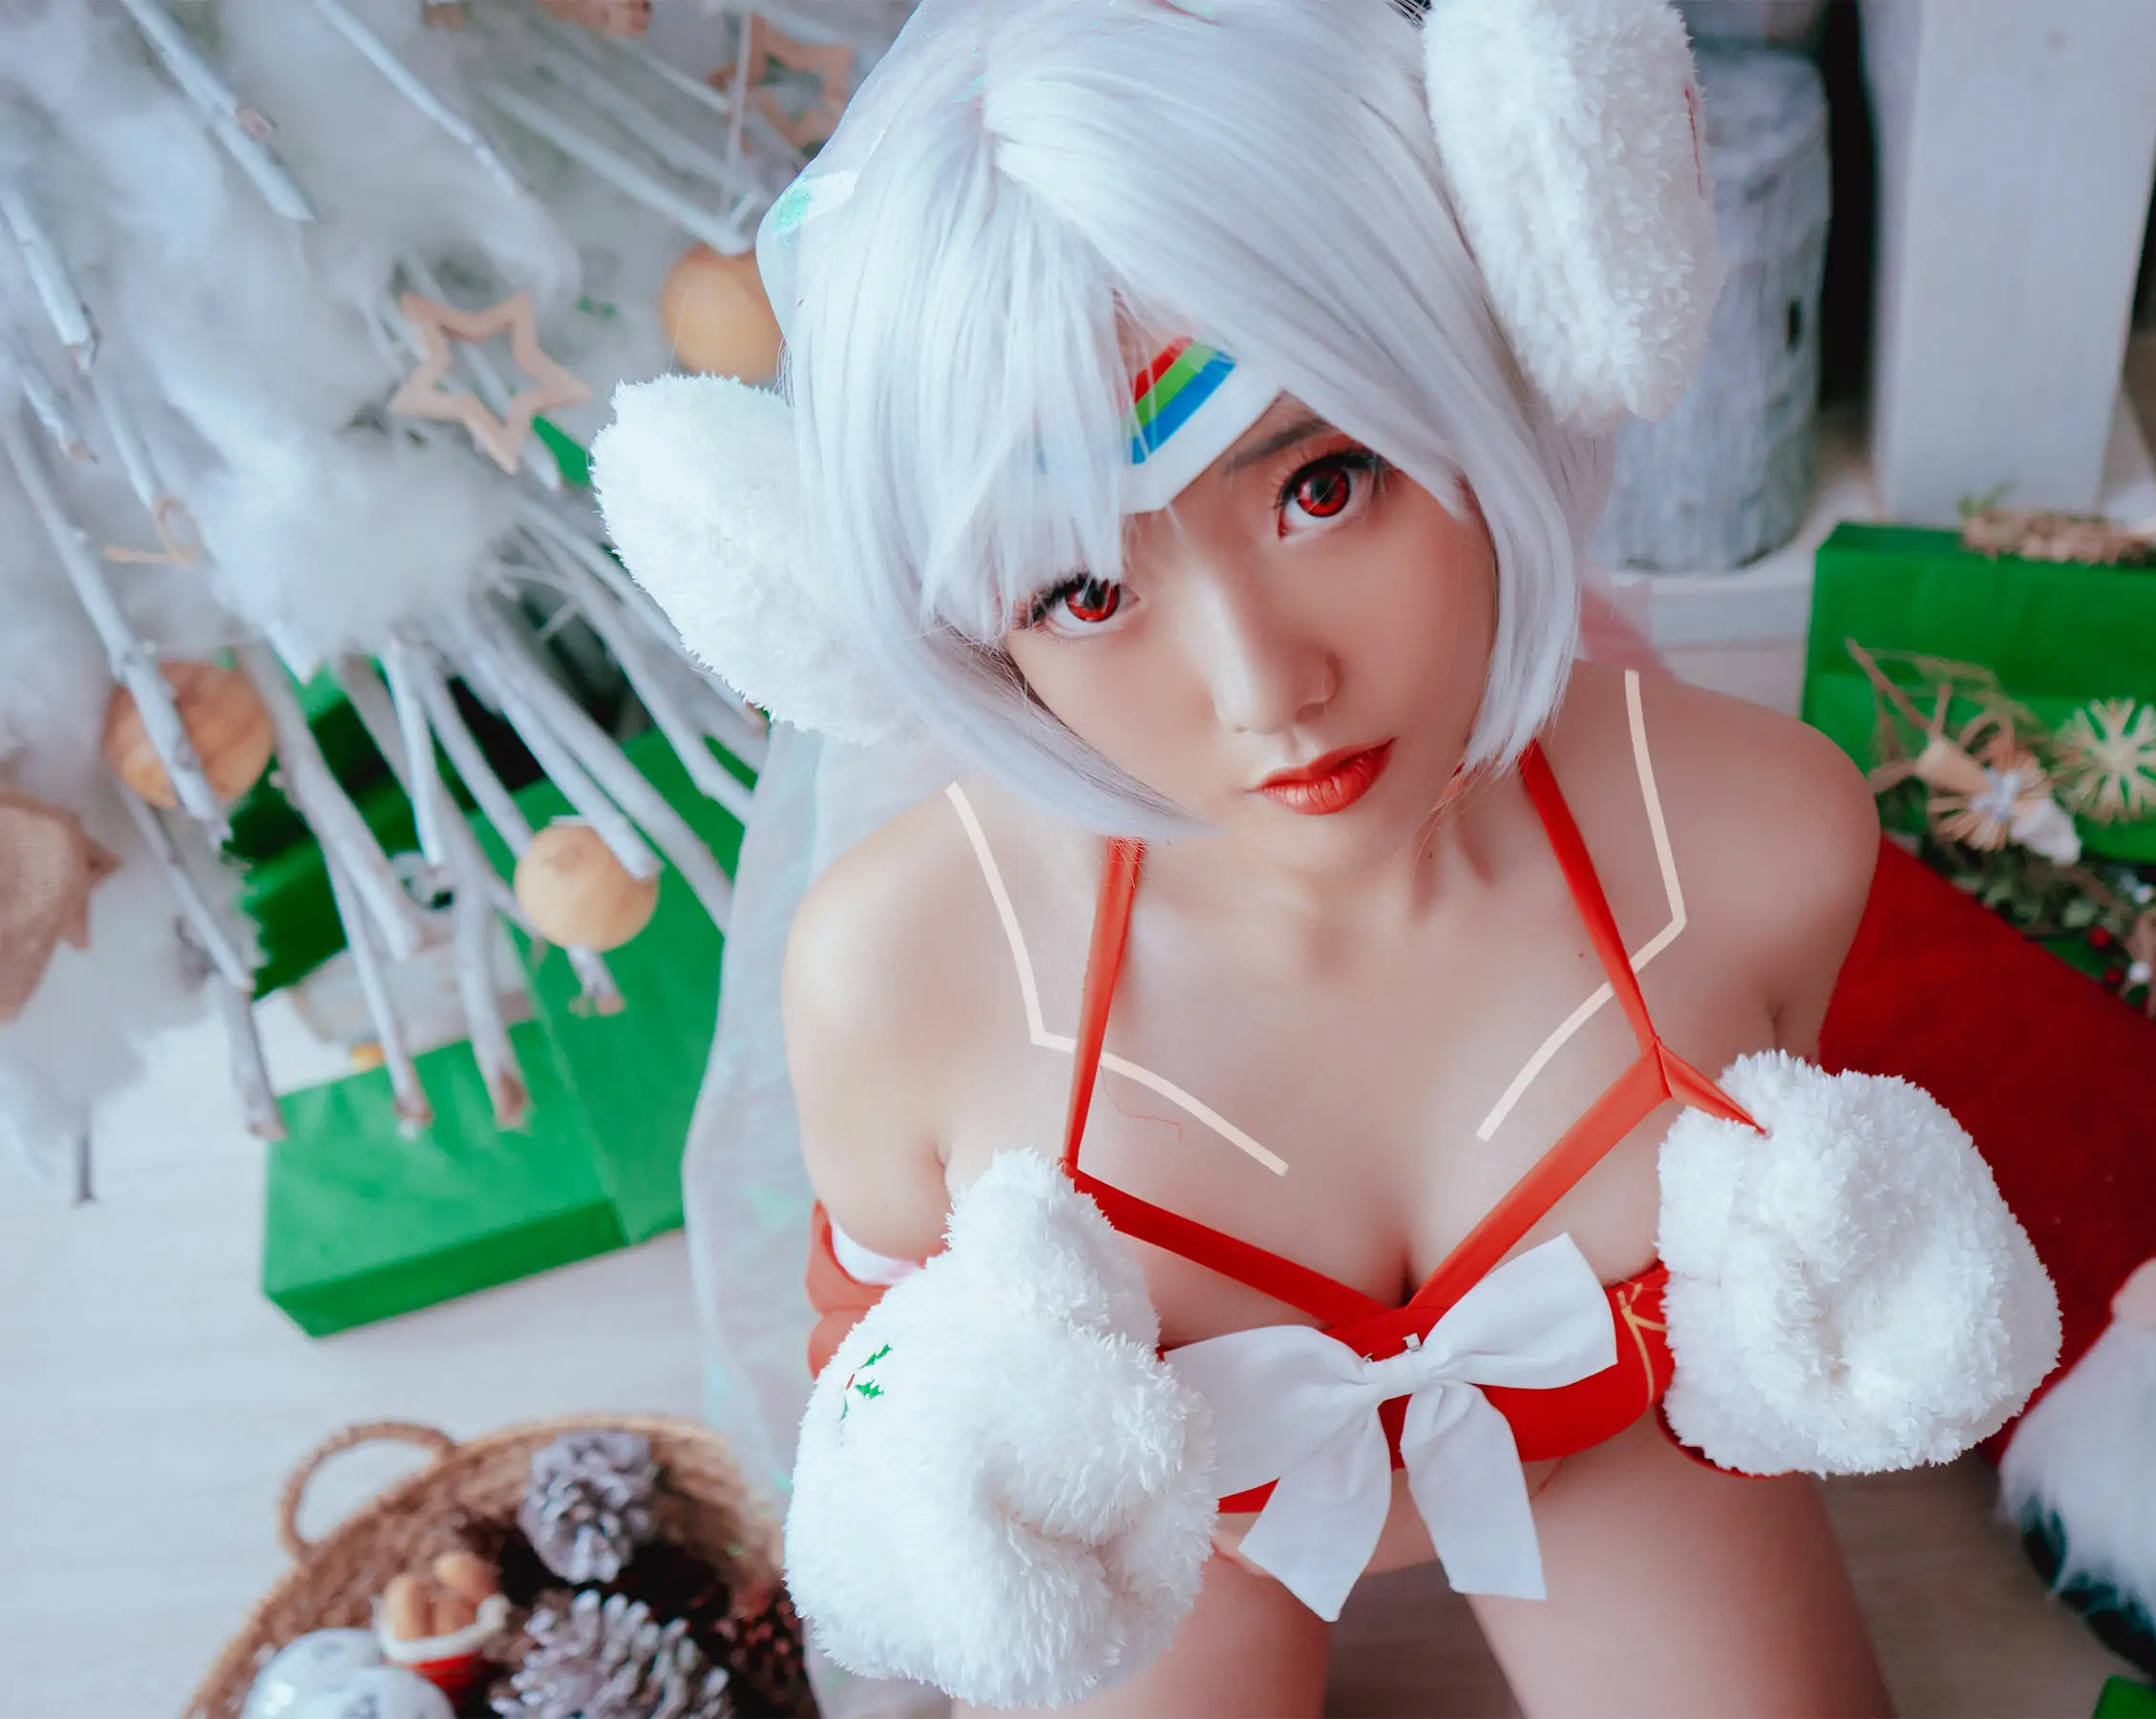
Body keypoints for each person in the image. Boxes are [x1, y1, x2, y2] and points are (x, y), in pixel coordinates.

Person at [599, 0, 2052, 1709]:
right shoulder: (901, 978)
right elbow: (893, 1401)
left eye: (1324, 485)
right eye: (1084, 587)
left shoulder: (1761, 837)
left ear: (1501, 347)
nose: (1264, 686)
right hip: (1175, 1539)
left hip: (1608, 1448)